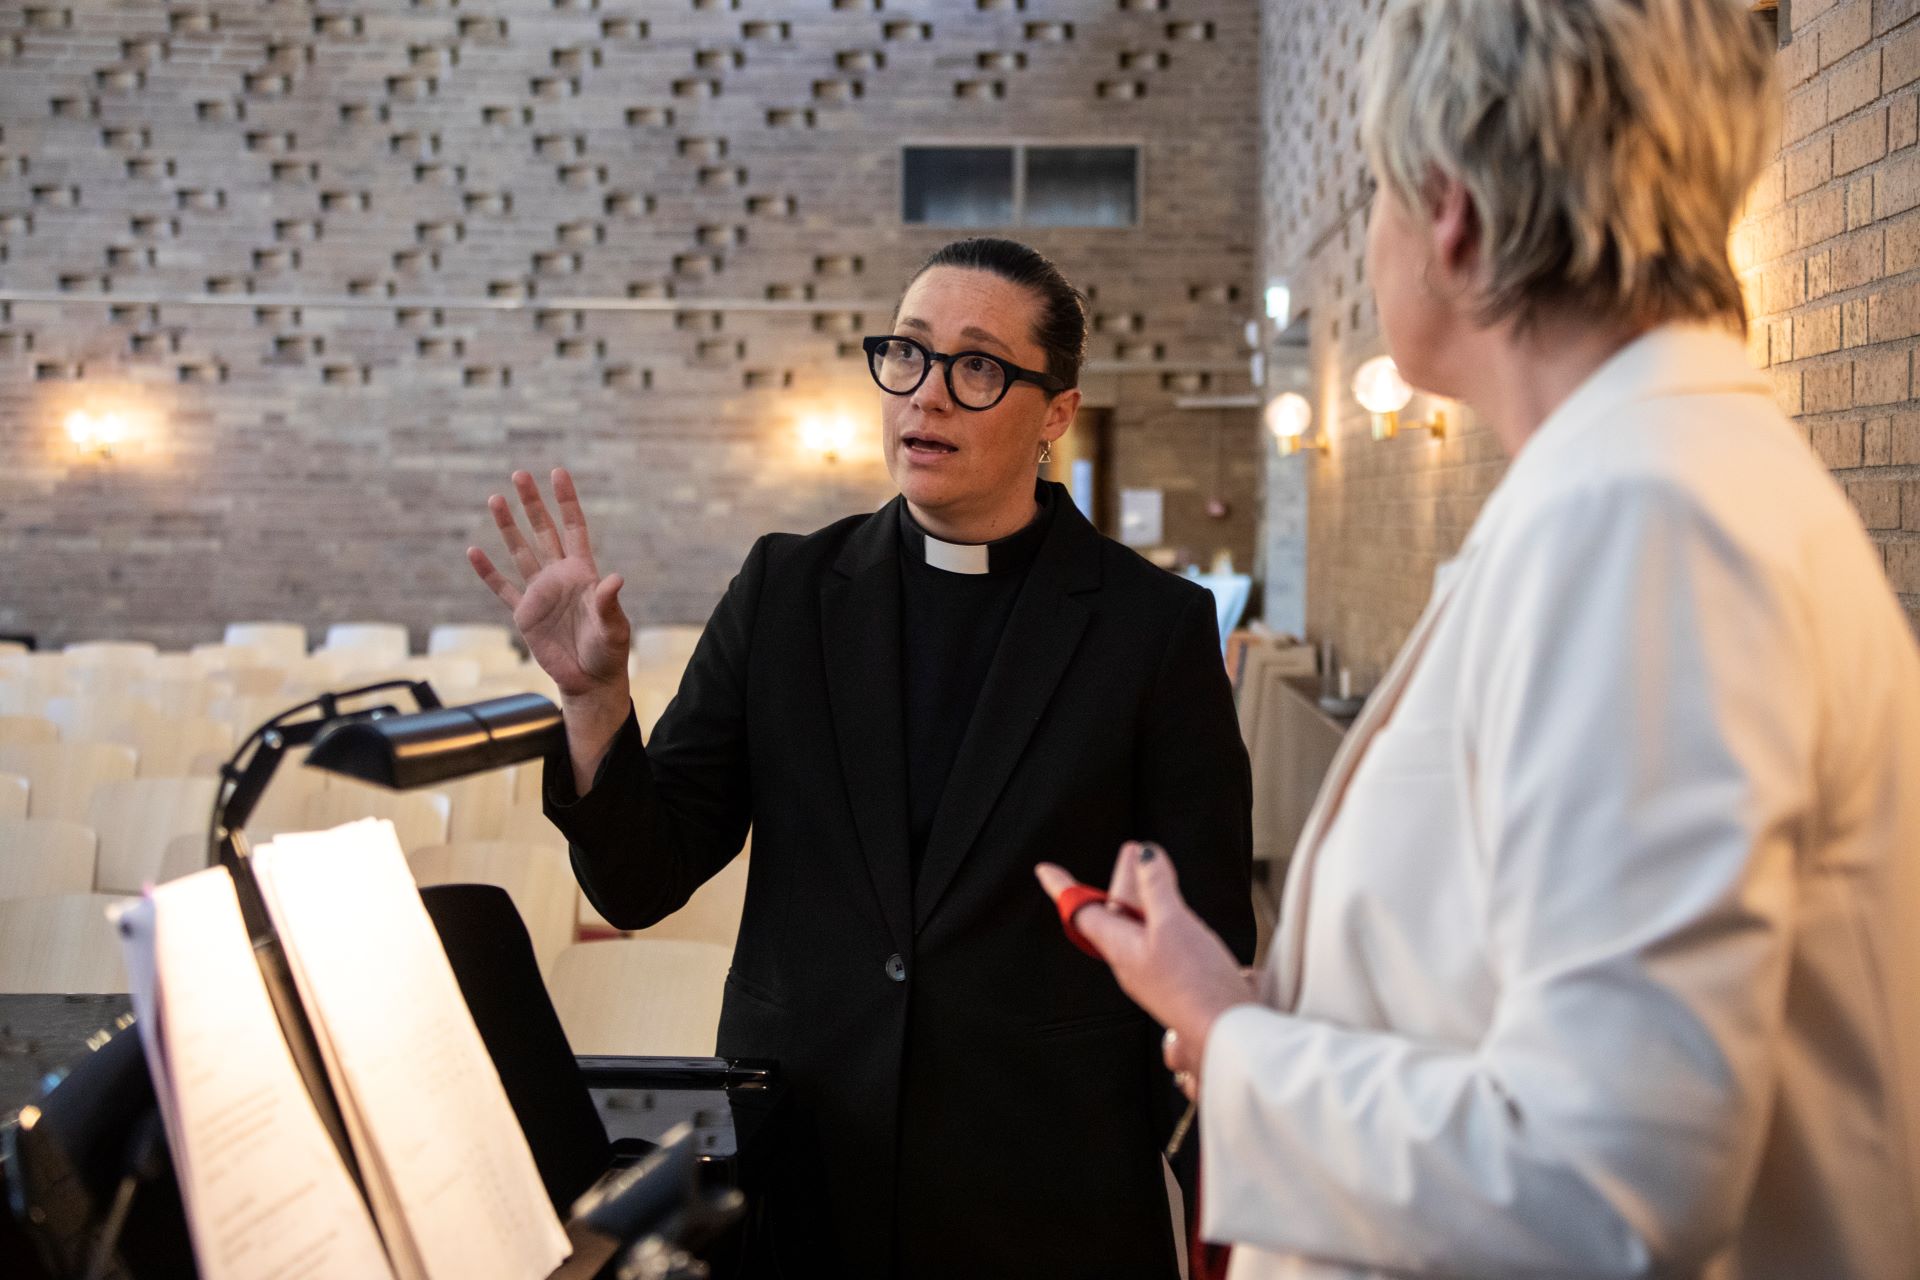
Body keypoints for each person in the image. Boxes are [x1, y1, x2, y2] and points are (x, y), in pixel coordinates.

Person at [1039, 1, 1920, 1277]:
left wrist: (1237, 1042)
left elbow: (1603, 1183)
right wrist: (1271, 1006)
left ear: (1449, 208)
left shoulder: (1643, 516)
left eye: (1376, 193)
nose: (1373, 239)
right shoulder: (1634, 488)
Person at [468, 237, 1256, 1278]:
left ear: (1055, 413)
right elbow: (640, 879)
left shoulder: (1151, 627)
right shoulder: (786, 591)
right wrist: (595, 700)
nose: (927, 393)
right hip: (806, 1178)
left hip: (1047, 1190)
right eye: (909, 353)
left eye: (978, 366)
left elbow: (1204, 935)